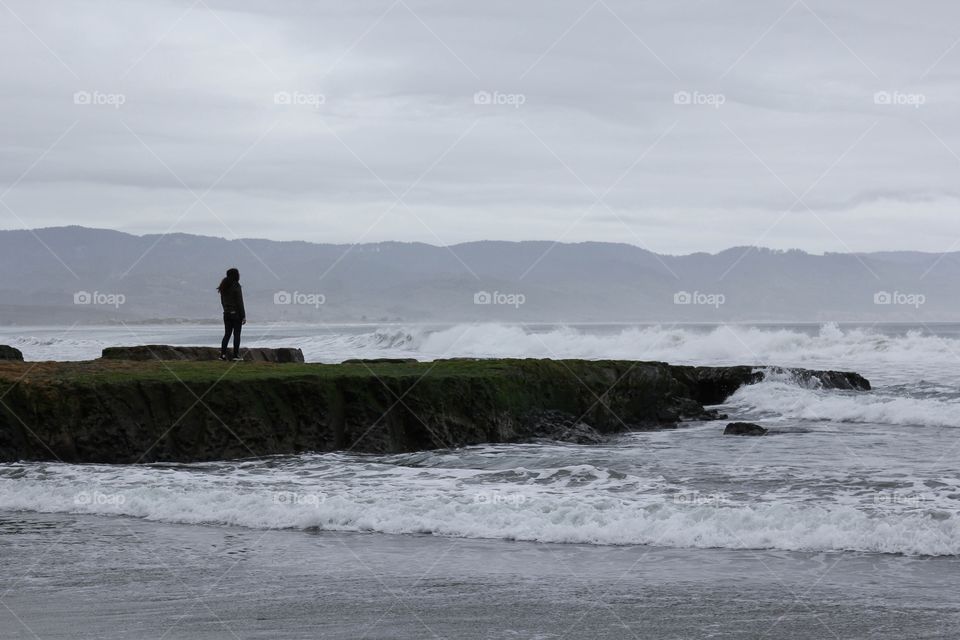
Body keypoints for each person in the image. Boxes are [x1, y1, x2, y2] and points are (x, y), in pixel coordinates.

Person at [217, 268, 246, 361]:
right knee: (236, 334)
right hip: (236, 314)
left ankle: (222, 355)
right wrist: (243, 316)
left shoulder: (223, 286)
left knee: (227, 334)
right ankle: (235, 355)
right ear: (236, 275)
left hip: (226, 313)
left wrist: (226, 310)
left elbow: (222, 302)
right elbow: (240, 302)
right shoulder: (236, 286)